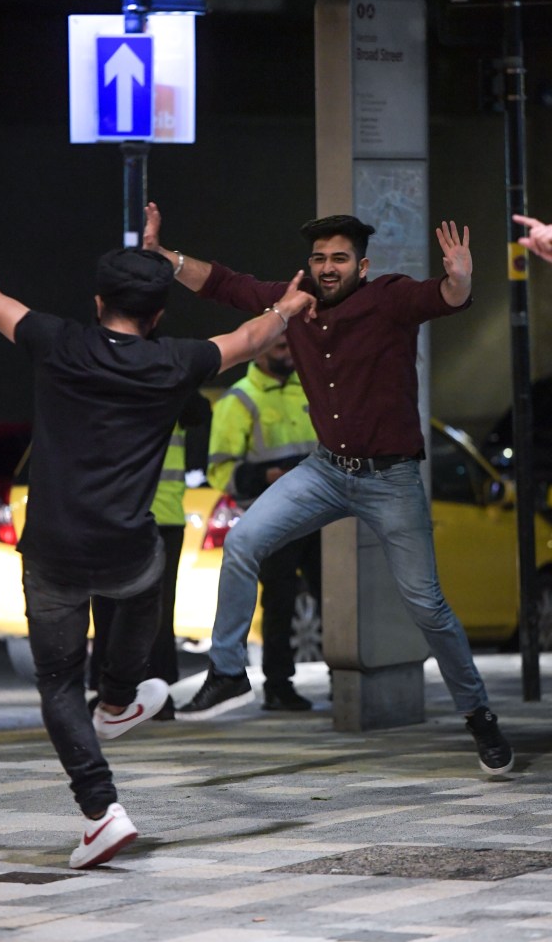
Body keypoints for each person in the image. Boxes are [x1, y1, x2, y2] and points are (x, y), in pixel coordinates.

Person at [0, 179, 316, 869]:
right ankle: (118, 696)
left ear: (97, 304)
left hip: (53, 549)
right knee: (140, 602)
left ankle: (101, 808)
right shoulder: (176, 361)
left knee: (55, 682)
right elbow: (252, 336)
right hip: (131, 550)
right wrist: (287, 304)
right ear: (161, 311)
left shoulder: (57, 343)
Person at [143, 201, 514, 776]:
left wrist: (461, 279)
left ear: (361, 266)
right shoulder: (297, 302)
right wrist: (167, 259)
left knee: (427, 605)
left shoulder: (388, 298)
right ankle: (227, 672)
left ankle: (479, 716)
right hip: (325, 470)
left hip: (390, 479)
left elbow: (442, 297)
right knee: (243, 544)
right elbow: (224, 284)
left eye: (340, 258)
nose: (328, 267)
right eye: (319, 258)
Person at [201, 334, 320, 713]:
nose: (288, 353)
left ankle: (344, 677)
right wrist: (265, 476)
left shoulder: (312, 388)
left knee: (334, 599)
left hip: (321, 513)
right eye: (280, 347)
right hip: (272, 515)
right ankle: (278, 685)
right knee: (279, 602)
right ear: (259, 350)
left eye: (291, 345)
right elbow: (220, 472)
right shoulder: (239, 399)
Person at [90, 391, 212, 721]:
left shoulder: (166, 379)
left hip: (152, 515)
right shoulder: (112, 379)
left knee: (142, 610)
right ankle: (114, 693)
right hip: (125, 514)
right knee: (112, 607)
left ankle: (152, 694)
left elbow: (198, 411)